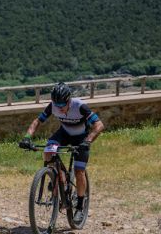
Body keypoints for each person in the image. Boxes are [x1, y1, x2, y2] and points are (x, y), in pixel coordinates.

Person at [19, 82, 105, 224]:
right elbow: (37, 122)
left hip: (81, 137)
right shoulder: (53, 106)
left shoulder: (80, 106)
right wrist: (27, 137)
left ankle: (79, 206)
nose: (59, 108)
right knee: (48, 151)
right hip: (63, 134)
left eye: (62, 105)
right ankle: (57, 177)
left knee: (79, 171)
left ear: (69, 101)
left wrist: (88, 141)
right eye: (56, 105)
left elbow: (99, 125)